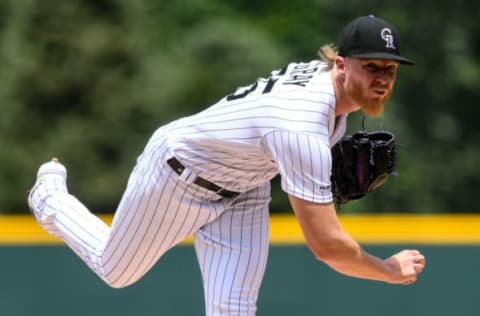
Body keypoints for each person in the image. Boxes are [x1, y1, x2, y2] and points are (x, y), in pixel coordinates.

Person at [28, 15, 426, 316]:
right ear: (341, 65)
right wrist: (387, 270)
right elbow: (326, 247)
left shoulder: (325, 92)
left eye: (389, 69)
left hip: (245, 186)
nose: (382, 78)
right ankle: (49, 198)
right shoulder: (301, 123)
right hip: (178, 172)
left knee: (233, 311)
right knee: (116, 271)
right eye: (370, 66)